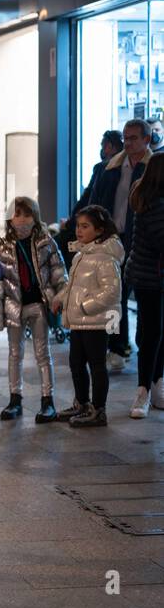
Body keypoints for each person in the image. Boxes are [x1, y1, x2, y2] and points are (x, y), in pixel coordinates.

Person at [0, 197, 67, 424]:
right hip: (15, 307)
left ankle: (48, 401)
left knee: (42, 354)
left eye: (27, 215)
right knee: (15, 354)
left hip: (39, 306)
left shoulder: (47, 242)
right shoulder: (0, 247)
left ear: (35, 218)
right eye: (17, 214)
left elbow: (58, 272)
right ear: (9, 218)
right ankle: (15, 399)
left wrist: (60, 297)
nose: (22, 220)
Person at [52, 205, 123, 428]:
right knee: (76, 363)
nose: (79, 231)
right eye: (77, 226)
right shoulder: (82, 255)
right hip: (79, 322)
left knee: (97, 365)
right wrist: (61, 298)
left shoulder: (106, 258)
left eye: (85, 226)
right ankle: (81, 403)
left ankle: (98, 409)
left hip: (97, 322)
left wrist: (85, 307)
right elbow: (74, 286)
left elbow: (112, 291)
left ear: (99, 230)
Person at [90, 119, 151, 368]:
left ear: (147, 140)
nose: (127, 142)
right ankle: (116, 346)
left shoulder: (154, 168)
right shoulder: (110, 168)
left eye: (133, 138)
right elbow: (95, 201)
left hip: (143, 243)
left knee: (144, 300)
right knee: (114, 296)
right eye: (125, 137)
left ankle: (140, 348)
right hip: (112, 239)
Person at [125, 153, 164, 417]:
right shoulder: (151, 203)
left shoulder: (148, 198)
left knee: (159, 333)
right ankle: (143, 392)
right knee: (151, 335)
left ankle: (156, 385)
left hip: (151, 277)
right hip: (149, 278)